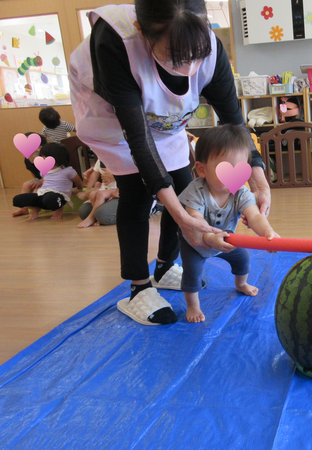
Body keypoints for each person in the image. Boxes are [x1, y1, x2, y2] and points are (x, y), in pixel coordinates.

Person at [69, 0, 271, 325]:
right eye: (177, 56)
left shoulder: (210, 46)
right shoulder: (115, 41)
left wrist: (259, 180)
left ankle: (164, 267)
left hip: (165, 120)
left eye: (197, 54)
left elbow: (235, 122)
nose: (190, 66)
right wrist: (182, 218)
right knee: (136, 191)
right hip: (117, 120)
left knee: (183, 186)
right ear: (143, 32)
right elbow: (138, 139)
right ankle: (138, 288)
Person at [168, 125, 277, 323]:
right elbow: (195, 222)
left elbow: (254, 216)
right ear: (202, 169)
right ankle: (193, 305)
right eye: (225, 168)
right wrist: (210, 238)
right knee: (192, 274)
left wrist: (268, 233)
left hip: (227, 240)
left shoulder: (241, 193)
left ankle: (241, 284)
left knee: (243, 259)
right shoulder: (196, 192)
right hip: (196, 242)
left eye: (241, 168)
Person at [12, 143, 83, 220]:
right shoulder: (43, 169)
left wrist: (79, 188)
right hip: (43, 194)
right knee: (18, 199)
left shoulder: (67, 170)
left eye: (44, 156)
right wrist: (39, 183)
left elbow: (78, 181)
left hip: (58, 195)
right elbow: (44, 180)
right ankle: (35, 208)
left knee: (50, 197)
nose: (41, 158)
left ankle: (58, 209)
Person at [12, 132, 47, 217]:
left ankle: (36, 208)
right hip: (40, 179)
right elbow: (33, 173)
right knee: (26, 184)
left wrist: (41, 181)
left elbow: (51, 173)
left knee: (36, 190)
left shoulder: (45, 158)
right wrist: (36, 181)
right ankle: (24, 208)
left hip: (50, 179)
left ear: (39, 147)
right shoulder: (27, 160)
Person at [77, 160, 119, 228]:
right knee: (92, 195)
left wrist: (115, 175)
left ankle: (92, 217)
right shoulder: (100, 159)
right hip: (105, 188)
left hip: (115, 189)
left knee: (101, 195)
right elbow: (95, 174)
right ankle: (95, 216)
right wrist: (87, 190)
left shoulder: (120, 159)